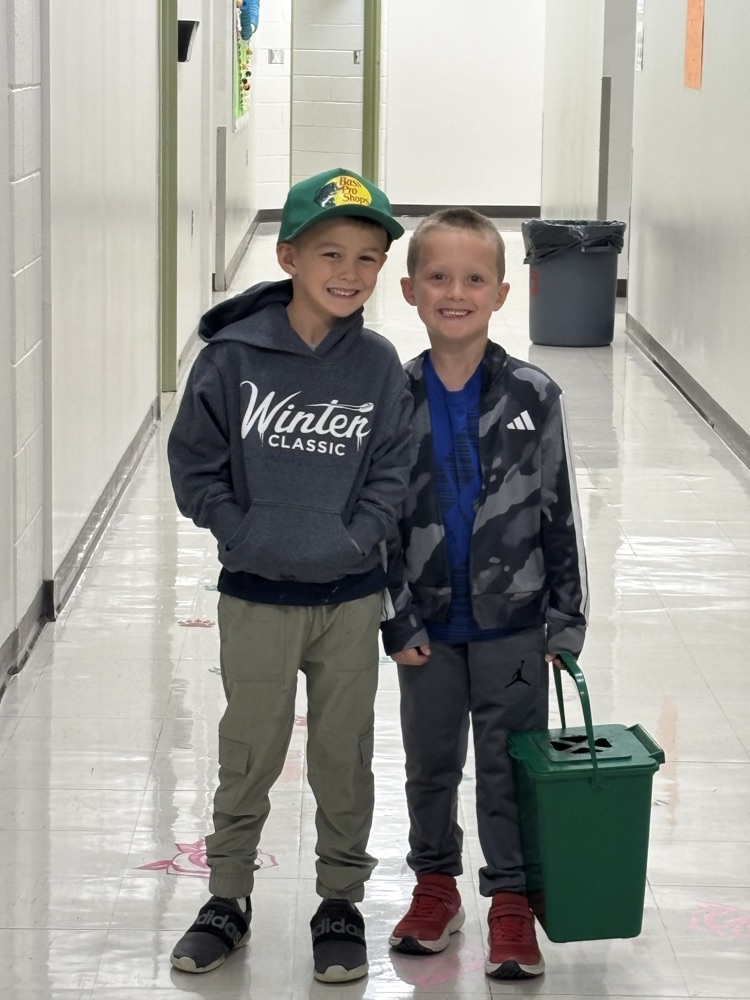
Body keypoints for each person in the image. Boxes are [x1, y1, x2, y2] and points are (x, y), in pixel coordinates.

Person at [167, 168, 413, 984]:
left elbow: (393, 468)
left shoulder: (378, 365)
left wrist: (358, 537)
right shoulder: (233, 358)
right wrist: (241, 531)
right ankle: (228, 896)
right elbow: (195, 464)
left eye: (369, 258)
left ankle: (339, 899)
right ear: (289, 256)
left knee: (344, 756)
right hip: (257, 597)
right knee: (250, 749)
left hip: (347, 599)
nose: (350, 272)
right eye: (331, 253)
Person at [381, 208, 589, 980]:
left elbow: (560, 510)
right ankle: (435, 884)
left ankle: (510, 899)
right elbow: (378, 525)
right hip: (426, 627)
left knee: (508, 764)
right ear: (409, 290)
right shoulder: (392, 398)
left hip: (515, 627)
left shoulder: (535, 393)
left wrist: (565, 621)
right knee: (430, 763)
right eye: (439, 277)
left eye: (475, 279)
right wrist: (394, 617)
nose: (456, 292)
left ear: (505, 292)